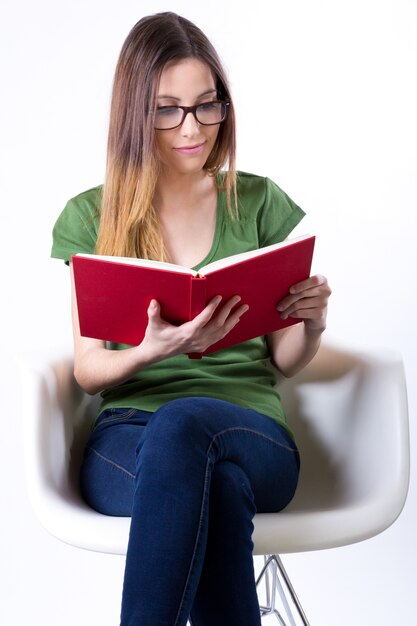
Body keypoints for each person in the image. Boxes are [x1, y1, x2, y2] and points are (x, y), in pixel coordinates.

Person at [51, 11, 331, 626]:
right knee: (220, 491)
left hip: (250, 428)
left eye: (208, 106)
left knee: (190, 430)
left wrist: (311, 324)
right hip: (128, 439)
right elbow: (91, 371)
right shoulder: (90, 218)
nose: (192, 127)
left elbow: (283, 361)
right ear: (134, 114)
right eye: (167, 109)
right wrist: (154, 349)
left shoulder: (256, 201)